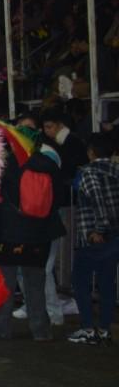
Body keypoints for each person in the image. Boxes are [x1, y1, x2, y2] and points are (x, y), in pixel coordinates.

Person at [0, 122, 64, 341]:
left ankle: (1, 329)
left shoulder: (5, 165)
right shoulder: (48, 164)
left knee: (6, 285)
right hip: (39, 235)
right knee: (35, 284)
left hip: (8, 235)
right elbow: (59, 198)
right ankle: (41, 330)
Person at [68, 133, 119, 345]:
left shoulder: (89, 173)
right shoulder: (116, 170)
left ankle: (88, 328)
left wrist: (97, 230)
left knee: (81, 282)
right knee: (107, 283)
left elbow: (98, 202)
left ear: (91, 152)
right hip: (115, 236)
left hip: (93, 237)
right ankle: (105, 329)